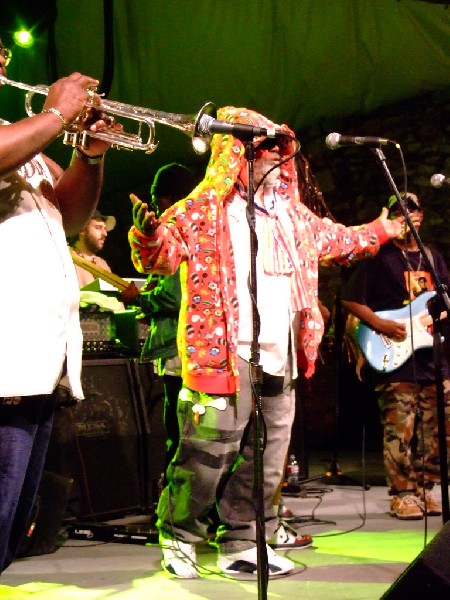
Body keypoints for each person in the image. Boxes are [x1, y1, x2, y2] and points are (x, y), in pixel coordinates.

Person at [128, 106, 403, 579]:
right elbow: (161, 259)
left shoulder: (292, 216)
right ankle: (179, 534)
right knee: (207, 454)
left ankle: (243, 539)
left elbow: (337, 240)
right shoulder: (201, 210)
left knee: (267, 457)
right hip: (224, 352)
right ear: (235, 154)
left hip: (281, 353)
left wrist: (380, 230)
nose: (273, 159)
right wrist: (149, 234)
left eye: (278, 150)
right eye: (261, 150)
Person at [0, 37, 119, 574]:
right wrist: (55, 114)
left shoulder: (24, 150)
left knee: (9, 531)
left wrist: (87, 153)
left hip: (35, 370)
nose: (2, 66)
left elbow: (67, 215)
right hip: (5, 367)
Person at [341, 192, 450, 520]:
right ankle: (402, 493)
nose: (409, 219)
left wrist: (437, 317)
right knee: (399, 429)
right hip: (395, 356)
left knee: (439, 429)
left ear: (422, 216)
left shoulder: (433, 258)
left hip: (434, 357)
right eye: (402, 213)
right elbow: (350, 299)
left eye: (413, 212)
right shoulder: (379, 257)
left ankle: (427, 488)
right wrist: (380, 323)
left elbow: (443, 301)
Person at [139, 163, 198, 472]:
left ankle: (178, 505)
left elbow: (175, 296)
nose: (153, 204)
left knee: (178, 433)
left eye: (156, 197)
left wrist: (141, 299)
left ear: (169, 198)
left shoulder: (178, 230)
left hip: (180, 351)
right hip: (189, 350)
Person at [70, 209, 117, 288]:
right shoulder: (67, 259)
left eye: (105, 229)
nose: (105, 234)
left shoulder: (102, 263)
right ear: (82, 230)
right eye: (98, 227)